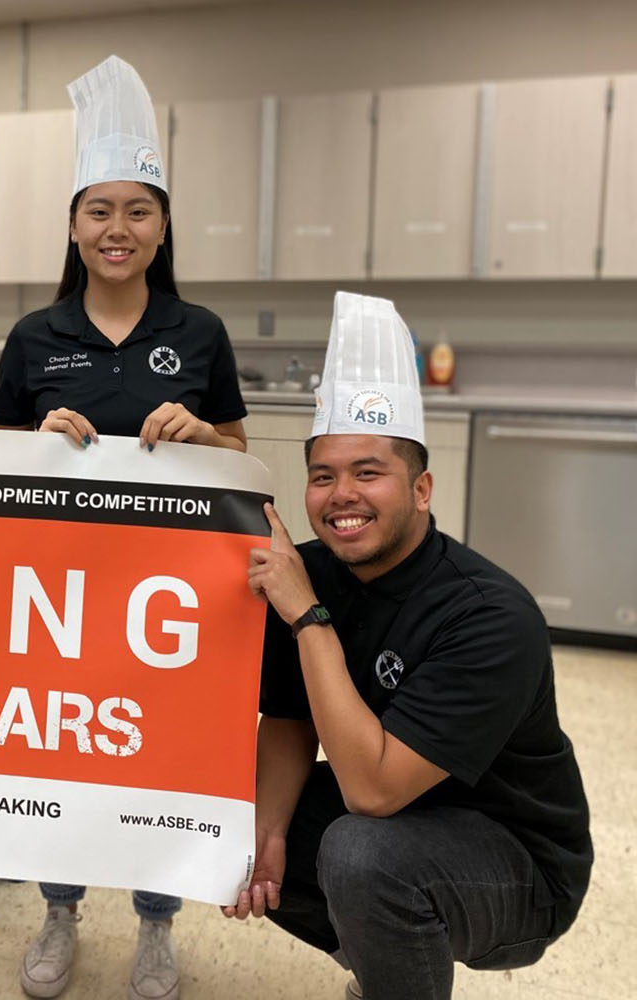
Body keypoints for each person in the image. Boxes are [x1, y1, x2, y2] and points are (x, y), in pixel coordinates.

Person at [226, 291, 592, 1000]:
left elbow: (372, 792)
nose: (342, 496)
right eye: (323, 475)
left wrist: (309, 620)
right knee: (248, 813)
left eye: (369, 473)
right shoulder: (316, 570)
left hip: (518, 860)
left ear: (422, 488)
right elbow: (293, 719)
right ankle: (385, 951)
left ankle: (392, 960)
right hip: (407, 818)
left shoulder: (488, 615)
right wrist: (266, 834)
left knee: (365, 856)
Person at [0, 56, 247, 1000]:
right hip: (56, 597)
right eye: (99, 210)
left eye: (138, 210)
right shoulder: (34, 338)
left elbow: (241, 464)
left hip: (166, 601)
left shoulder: (201, 331)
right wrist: (39, 443)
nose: (118, 229)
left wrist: (204, 434)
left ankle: (154, 922)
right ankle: (58, 910)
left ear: (163, 225)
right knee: (63, 754)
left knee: (156, 757)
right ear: (72, 224)